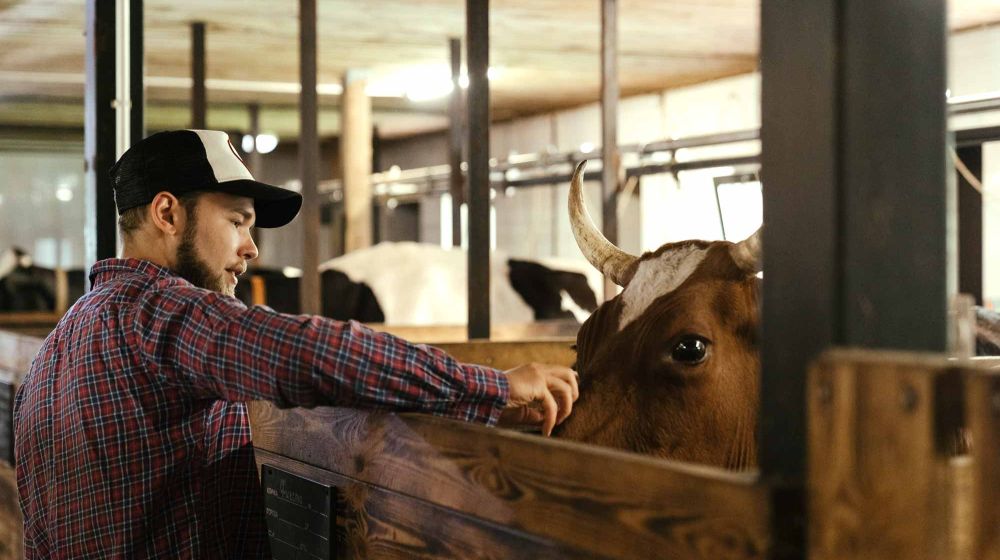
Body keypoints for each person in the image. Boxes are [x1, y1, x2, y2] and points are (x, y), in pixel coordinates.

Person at [13, 129, 579, 558]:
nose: (251, 248)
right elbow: (310, 355)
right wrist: (493, 385)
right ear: (167, 213)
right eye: (238, 221)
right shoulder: (163, 315)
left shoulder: (60, 344)